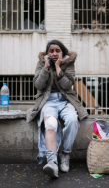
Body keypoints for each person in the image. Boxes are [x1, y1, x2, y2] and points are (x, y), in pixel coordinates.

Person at [26, 40, 88, 178]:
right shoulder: (42, 63)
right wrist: (46, 68)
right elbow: (38, 85)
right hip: (48, 101)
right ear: (48, 53)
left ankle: (65, 154)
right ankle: (52, 163)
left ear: (62, 52)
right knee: (51, 124)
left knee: (72, 120)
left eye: (57, 50)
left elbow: (67, 85)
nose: (54, 53)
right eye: (51, 51)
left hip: (66, 100)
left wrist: (59, 67)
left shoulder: (68, 62)